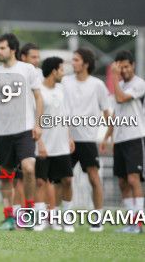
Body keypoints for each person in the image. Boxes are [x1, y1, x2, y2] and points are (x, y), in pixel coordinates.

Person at [0, 33, 43, 230]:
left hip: (24, 129)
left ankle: (29, 212)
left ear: (13, 50)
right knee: (6, 175)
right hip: (2, 132)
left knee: (29, 168)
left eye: (2, 48)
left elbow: (39, 98)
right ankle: (9, 217)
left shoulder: (27, 69)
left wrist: (38, 124)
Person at [62, 48, 110, 232]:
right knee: (64, 179)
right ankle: (65, 219)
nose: (72, 63)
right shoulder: (65, 82)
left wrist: (109, 137)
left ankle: (97, 219)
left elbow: (107, 113)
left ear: (86, 64)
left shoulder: (97, 85)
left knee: (94, 178)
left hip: (88, 140)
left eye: (76, 60)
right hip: (67, 139)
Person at [101, 50, 145, 234]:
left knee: (134, 179)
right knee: (122, 182)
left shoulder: (139, 84)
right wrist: (106, 136)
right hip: (119, 140)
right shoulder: (119, 85)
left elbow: (120, 98)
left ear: (133, 65)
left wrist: (115, 77)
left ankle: (140, 223)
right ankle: (131, 222)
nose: (124, 70)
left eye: (126, 66)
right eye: (120, 67)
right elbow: (116, 115)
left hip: (135, 137)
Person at [33, 57, 75, 232]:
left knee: (66, 180)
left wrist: (69, 137)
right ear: (54, 71)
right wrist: (40, 142)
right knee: (41, 182)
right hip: (43, 146)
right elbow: (36, 121)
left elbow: (65, 117)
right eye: (62, 70)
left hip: (62, 146)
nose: (63, 73)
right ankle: (41, 220)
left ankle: (66, 219)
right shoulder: (38, 91)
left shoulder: (63, 90)